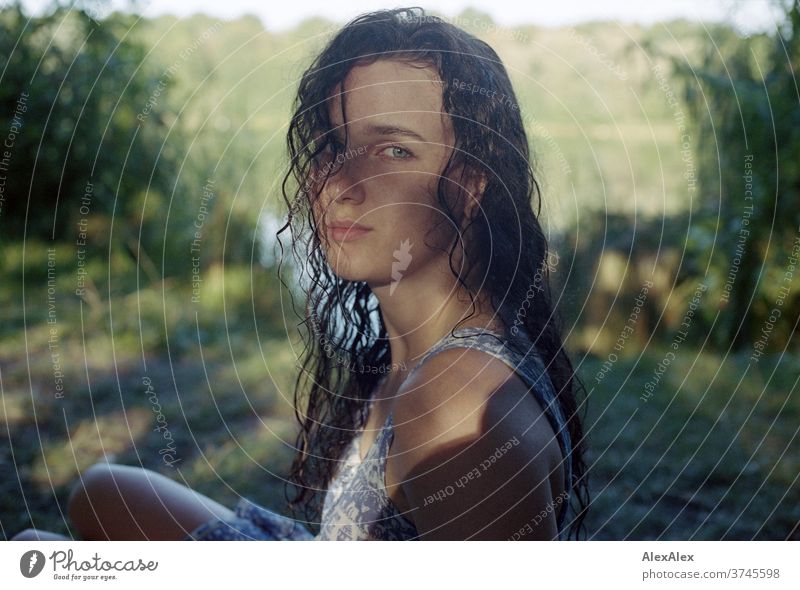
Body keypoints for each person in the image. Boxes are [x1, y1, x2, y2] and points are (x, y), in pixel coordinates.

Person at [11, 6, 588, 542]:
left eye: (392, 152)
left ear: (469, 184)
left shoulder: (454, 407)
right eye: (332, 146)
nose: (338, 183)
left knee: (37, 550)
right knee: (107, 492)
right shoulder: (422, 350)